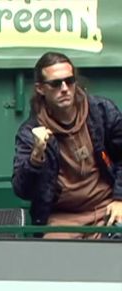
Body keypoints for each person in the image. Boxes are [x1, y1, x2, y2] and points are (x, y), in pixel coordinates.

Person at [12, 52, 122, 239]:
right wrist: (36, 157)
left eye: (69, 81)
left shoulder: (101, 112)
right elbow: (22, 190)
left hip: (107, 207)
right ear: (40, 89)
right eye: (55, 84)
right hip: (62, 218)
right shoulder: (31, 131)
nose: (64, 88)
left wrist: (120, 199)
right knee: (55, 259)